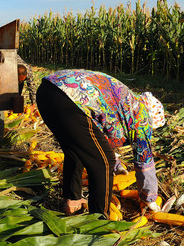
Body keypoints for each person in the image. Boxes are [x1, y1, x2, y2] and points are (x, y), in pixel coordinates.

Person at [36, 69, 165, 219]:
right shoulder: (142, 116)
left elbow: (94, 140)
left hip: (47, 91)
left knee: (76, 150)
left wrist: (118, 165)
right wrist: (149, 198)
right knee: (104, 164)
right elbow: (145, 162)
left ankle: (73, 200)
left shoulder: (127, 104)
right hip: (69, 100)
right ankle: (99, 220)